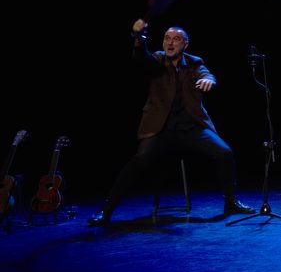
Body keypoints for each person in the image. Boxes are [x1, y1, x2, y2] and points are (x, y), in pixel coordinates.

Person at [88, 20, 254, 226]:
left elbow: (207, 74)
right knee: (138, 161)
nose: (170, 42)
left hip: (191, 128)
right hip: (160, 129)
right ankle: (106, 210)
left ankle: (230, 202)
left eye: (176, 39)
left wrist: (210, 81)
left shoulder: (194, 62)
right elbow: (141, 57)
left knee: (225, 152)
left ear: (185, 44)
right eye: (167, 38)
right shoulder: (157, 60)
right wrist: (139, 37)